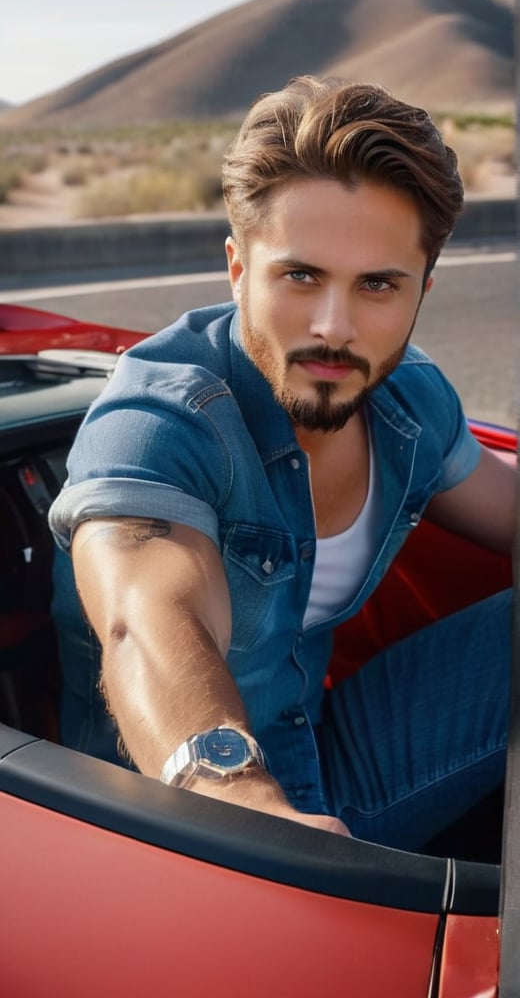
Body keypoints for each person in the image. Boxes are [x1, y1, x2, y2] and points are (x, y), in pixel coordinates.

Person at [49, 76, 514, 851]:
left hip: (331, 754)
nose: (334, 327)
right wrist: (237, 796)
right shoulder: (162, 422)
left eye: (377, 286)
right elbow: (145, 622)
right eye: (301, 276)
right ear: (238, 269)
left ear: (422, 289)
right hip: (172, 831)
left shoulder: (410, 402)